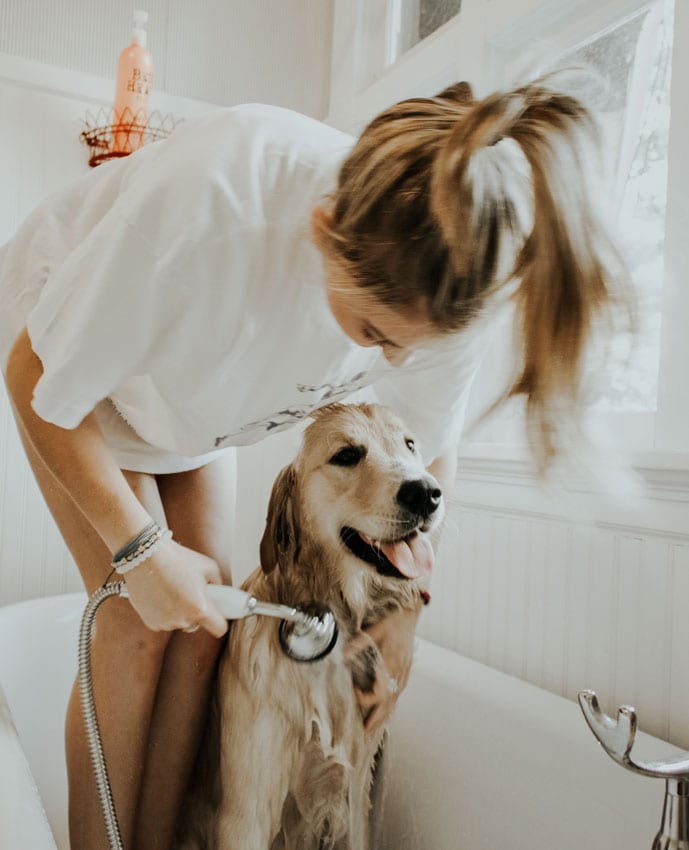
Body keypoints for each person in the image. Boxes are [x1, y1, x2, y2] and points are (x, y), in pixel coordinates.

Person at [0, 72, 628, 850]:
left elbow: (430, 453)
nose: (395, 358)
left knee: (203, 630)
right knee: (134, 620)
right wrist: (140, 548)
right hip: (70, 368)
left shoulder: (442, 281)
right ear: (325, 231)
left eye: (411, 345)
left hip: (197, 406)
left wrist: (406, 616)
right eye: (374, 333)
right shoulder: (215, 204)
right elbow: (32, 378)